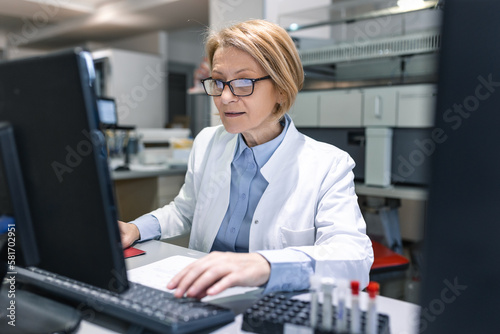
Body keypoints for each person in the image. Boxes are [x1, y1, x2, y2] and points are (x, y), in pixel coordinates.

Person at [119, 19, 373, 300]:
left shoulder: (329, 166)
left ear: (281, 88)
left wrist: (264, 264)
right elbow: (184, 210)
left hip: (270, 305)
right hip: (200, 297)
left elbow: (354, 259)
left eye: (243, 83)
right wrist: (135, 228)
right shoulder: (207, 142)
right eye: (218, 82)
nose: (225, 97)